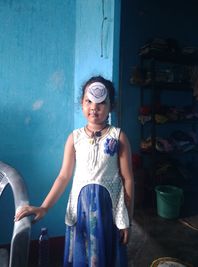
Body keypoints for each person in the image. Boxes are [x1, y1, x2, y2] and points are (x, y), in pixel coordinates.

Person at [15, 75, 134, 267]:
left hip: (108, 212)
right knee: (83, 256)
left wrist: (127, 218)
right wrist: (44, 207)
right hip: (81, 212)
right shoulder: (74, 138)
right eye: (89, 101)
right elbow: (63, 176)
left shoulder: (119, 137)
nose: (94, 107)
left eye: (101, 102)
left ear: (111, 106)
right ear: (81, 103)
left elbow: (127, 179)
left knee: (106, 257)